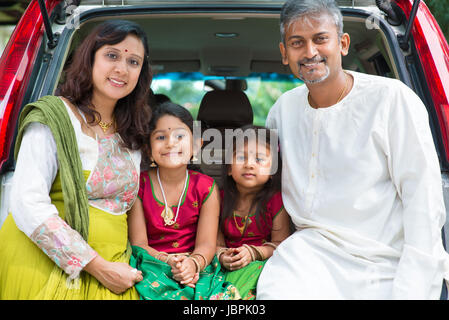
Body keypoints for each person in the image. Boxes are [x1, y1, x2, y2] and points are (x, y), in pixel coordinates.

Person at [256, 0, 449, 300]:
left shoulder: (392, 100)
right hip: (306, 257)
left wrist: (414, 289)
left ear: (343, 43)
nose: (310, 52)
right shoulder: (283, 109)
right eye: (297, 43)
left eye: (320, 39)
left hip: (384, 261)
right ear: (284, 53)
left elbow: (423, 207)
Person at [0, 20, 152, 299]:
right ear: (89, 57)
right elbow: (26, 202)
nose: (122, 68)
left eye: (133, 61)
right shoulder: (54, 117)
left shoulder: (133, 132)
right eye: (112, 55)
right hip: (44, 265)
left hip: (115, 269)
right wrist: (96, 265)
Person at [128, 102, 240, 300]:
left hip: (196, 264)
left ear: (196, 145)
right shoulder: (139, 185)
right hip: (151, 262)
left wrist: (192, 264)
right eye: (161, 137)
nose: (171, 143)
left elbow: (207, 244)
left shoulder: (206, 187)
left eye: (180, 136)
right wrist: (169, 261)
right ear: (148, 148)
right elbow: (139, 244)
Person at [216, 125, 291, 300]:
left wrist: (254, 253)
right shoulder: (217, 198)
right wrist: (222, 256)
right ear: (228, 168)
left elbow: (281, 244)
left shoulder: (276, 200)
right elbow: (213, 243)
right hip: (224, 267)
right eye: (241, 157)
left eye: (259, 159)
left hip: (261, 265)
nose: (249, 164)